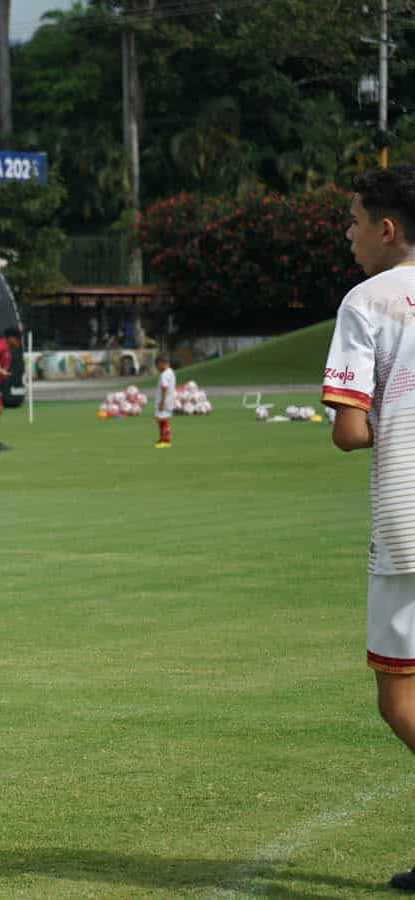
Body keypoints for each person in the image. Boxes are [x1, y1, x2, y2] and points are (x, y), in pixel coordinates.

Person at [320, 164, 415, 892]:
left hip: (407, 524)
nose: (348, 236)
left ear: (387, 230)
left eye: (354, 222)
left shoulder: (370, 301)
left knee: (400, 697)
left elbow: (350, 429)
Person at [153, 353, 175, 448]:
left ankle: (165, 441)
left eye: (157, 365)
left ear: (162, 363)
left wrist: (162, 401)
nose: (156, 367)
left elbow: (164, 387)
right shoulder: (170, 372)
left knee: (163, 420)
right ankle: (162, 438)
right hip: (169, 400)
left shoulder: (164, 375)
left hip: (164, 401)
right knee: (162, 420)